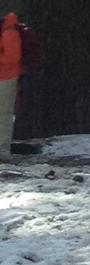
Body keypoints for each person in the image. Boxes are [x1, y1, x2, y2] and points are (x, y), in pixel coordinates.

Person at [0, 10, 31, 157]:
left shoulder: (9, 32)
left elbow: (12, 58)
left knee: (4, 115)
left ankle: (3, 151)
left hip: (6, 77)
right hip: (5, 77)